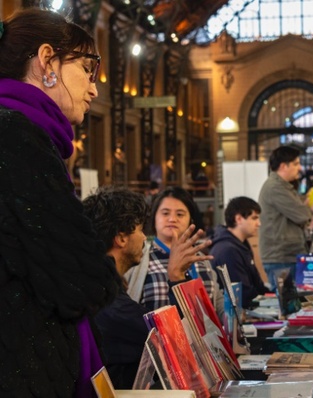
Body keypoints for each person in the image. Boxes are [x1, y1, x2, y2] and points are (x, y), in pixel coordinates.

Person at [0, 8, 120, 398]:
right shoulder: (17, 136)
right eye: (88, 68)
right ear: (47, 59)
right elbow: (78, 278)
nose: (94, 88)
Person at [83, 186, 202, 389]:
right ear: (121, 238)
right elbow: (176, 341)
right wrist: (176, 277)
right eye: (139, 229)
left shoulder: (100, 286)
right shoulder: (107, 301)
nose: (143, 238)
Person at [125, 186, 225, 319]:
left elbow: (216, 303)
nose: (172, 219)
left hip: (203, 338)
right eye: (165, 213)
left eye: (180, 214)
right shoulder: (139, 258)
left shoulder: (200, 258)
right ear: (154, 218)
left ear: (191, 220)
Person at [258, 146, 312, 292]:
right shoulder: (275, 188)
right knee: (289, 307)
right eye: (295, 164)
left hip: (287, 256)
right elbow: (302, 215)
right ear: (283, 166)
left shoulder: (284, 186)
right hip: (280, 259)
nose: (299, 168)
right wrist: (306, 209)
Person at [210, 196, 270, 308]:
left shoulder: (241, 245)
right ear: (238, 219)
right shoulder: (228, 250)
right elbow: (242, 294)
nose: (259, 223)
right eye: (254, 218)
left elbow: (257, 286)